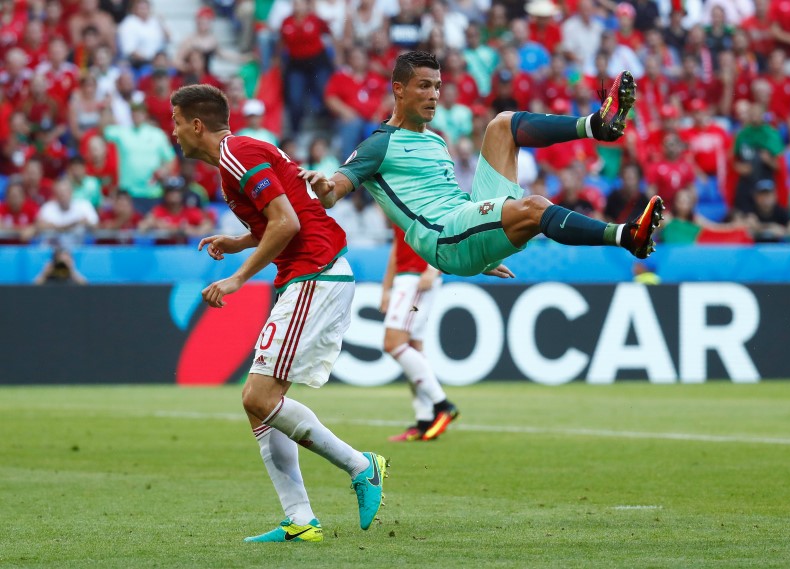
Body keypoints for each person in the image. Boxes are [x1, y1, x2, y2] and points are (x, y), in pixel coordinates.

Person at [169, 84, 386, 543]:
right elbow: (282, 216)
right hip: (307, 274)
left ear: (196, 124)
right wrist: (238, 241)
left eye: (174, 122)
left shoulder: (236, 155)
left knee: (258, 398)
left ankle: (361, 465)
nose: (173, 133)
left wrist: (236, 277)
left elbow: (287, 223)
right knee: (259, 405)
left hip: (316, 273)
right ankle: (301, 519)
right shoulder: (235, 163)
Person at [300, 51, 663, 279]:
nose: (434, 95)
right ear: (398, 90)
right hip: (444, 239)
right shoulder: (379, 144)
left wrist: (487, 252)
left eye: (438, 86)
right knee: (536, 206)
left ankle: (594, 126)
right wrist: (322, 185)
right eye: (423, 86)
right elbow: (333, 193)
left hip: (465, 222)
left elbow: (449, 197)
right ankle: (626, 235)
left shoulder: (435, 139)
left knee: (502, 124)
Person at [382, 223, 458, 442]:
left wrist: (433, 269)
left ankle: (443, 405)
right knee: (413, 349)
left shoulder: (420, 193)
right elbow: (398, 243)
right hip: (405, 279)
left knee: (393, 344)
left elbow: (443, 230)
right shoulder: (396, 198)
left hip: (417, 278)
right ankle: (424, 421)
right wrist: (386, 288)